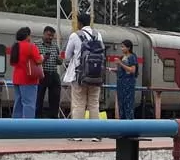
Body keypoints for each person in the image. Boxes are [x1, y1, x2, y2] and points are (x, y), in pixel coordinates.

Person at [62, 12, 105, 141]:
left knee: (79, 104)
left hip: (79, 76)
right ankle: (96, 135)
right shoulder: (98, 35)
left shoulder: (75, 35)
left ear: (79, 23)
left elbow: (67, 56)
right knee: (94, 104)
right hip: (96, 75)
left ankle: (77, 134)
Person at [10, 26, 43, 119]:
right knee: (29, 103)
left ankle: (16, 125)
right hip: (29, 79)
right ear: (27, 36)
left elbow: (12, 62)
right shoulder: (31, 46)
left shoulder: (15, 47)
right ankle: (28, 126)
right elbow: (38, 61)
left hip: (17, 78)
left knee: (18, 102)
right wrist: (42, 57)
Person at [36, 26, 62, 118]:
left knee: (55, 98)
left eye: (52, 36)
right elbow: (34, 60)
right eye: (49, 35)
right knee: (39, 98)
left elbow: (59, 62)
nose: (50, 37)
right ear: (44, 34)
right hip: (42, 74)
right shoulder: (37, 44)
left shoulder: (55, 46)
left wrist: (60, 59)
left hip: (53, 73)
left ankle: (54, 117)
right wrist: (44, 57)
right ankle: (37, 117)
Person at [115, 39, 139, 120]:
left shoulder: (132, 57)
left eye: (123, 47)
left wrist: (120, 63)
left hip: (128, 84)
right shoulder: (122, 57)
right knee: (121, 104)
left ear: (128, 48)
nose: (121, 49)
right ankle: (122, 122)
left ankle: (129, 123)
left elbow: (132, 70)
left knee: (128, 104)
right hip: (121, 83)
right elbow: (123, 70)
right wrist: (114, 69)